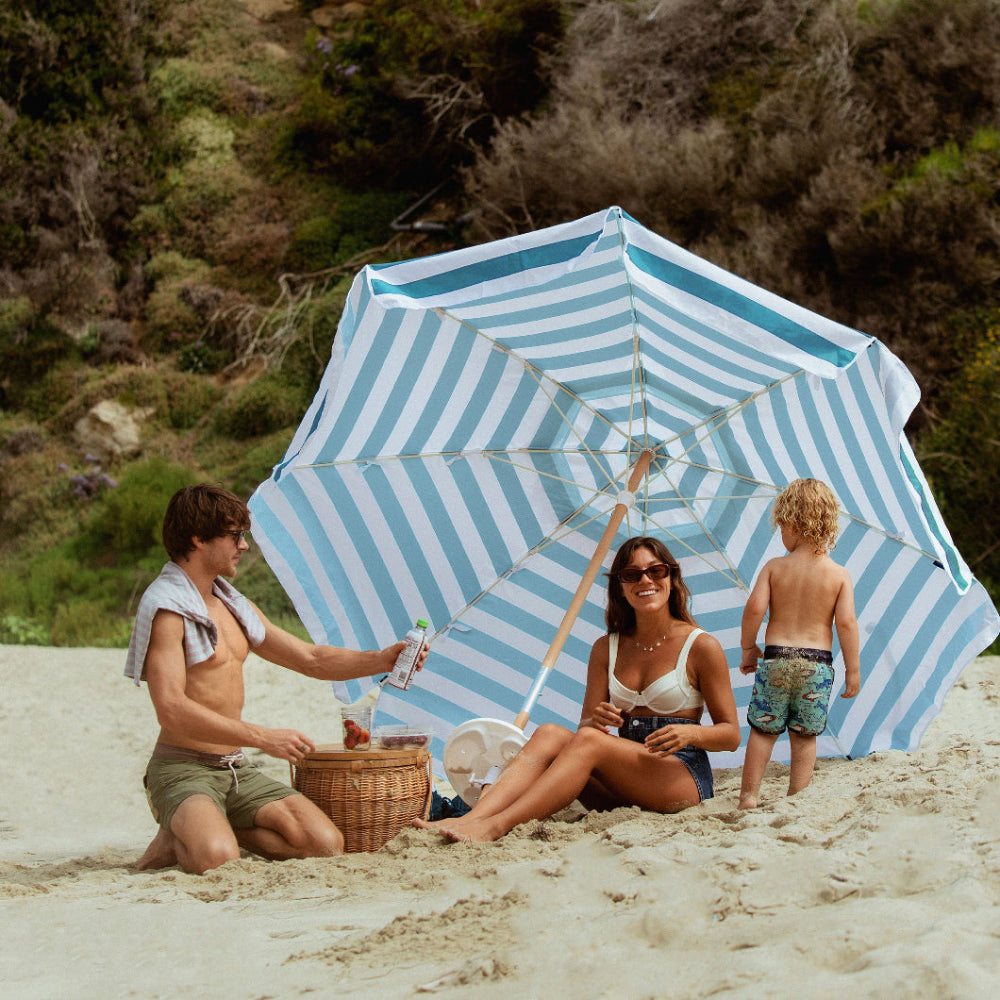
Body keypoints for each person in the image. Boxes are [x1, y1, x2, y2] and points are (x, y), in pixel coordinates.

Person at [125, 483, 427, 874]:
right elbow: (171, 709)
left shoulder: (233, 605)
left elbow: (311, 658)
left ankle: (208, 824)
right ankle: (187, 829)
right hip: (182, 768)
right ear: (198, 539)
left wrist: (382, 660)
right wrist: (262, 738)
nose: (244, 545)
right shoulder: (168, 609)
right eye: (235, 535)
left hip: (233, 766)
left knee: (325, 843)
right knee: (218, 860)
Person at [414, 536, 740, 843]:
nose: (645, 581)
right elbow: (586, 728)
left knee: (588, 742)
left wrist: (691, 735)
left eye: (656, 570)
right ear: (620, 588)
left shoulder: (701, 646)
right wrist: (594, 720)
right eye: (632, 575)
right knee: (550, 733)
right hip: (621, 782)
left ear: (671, 577)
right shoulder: (605, 648)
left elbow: (731, 735)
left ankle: (496, 826)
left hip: (677, 776)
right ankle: (473, 817)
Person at [737, 478, 861, 809]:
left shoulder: (775, 568)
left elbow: (753, 609)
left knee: (763, 732)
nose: (782, 535)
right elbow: (846, 623)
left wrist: (748, 647)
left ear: (792, 522)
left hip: (776, 659)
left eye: (781, 528)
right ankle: (797, 797)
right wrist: (853, 670)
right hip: (817, 664)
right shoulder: (838, 575)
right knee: (804, 737)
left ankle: (749, 795)